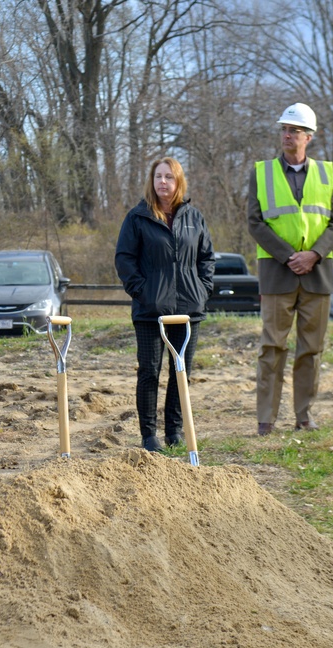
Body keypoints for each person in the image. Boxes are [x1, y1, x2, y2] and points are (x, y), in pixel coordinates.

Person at [247, 103, 333, 436]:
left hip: (317, 274)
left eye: (294, 131)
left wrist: (314, 254)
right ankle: (266, 418)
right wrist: (290, 256)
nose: (287, 136)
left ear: (309, 137)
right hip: (277, 273)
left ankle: (304, 415)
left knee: (311, 349)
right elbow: (255, 223)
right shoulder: (261, 172)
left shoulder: (327, 173)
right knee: (272, 347)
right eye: (284, 130)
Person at [115, 157, 216, 452]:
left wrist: (202, 290)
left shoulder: (194, 217)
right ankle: (149, 435)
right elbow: (124, 259)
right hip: (150, 312)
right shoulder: (138, 217)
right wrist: (142, 292)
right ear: (152, 181)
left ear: (178, 182)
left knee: (180, 370)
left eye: (169, 177)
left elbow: (206, 258)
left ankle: (174, 430)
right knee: (149, 371)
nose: (163, 182)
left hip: (188, 309)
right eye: (158, 177)